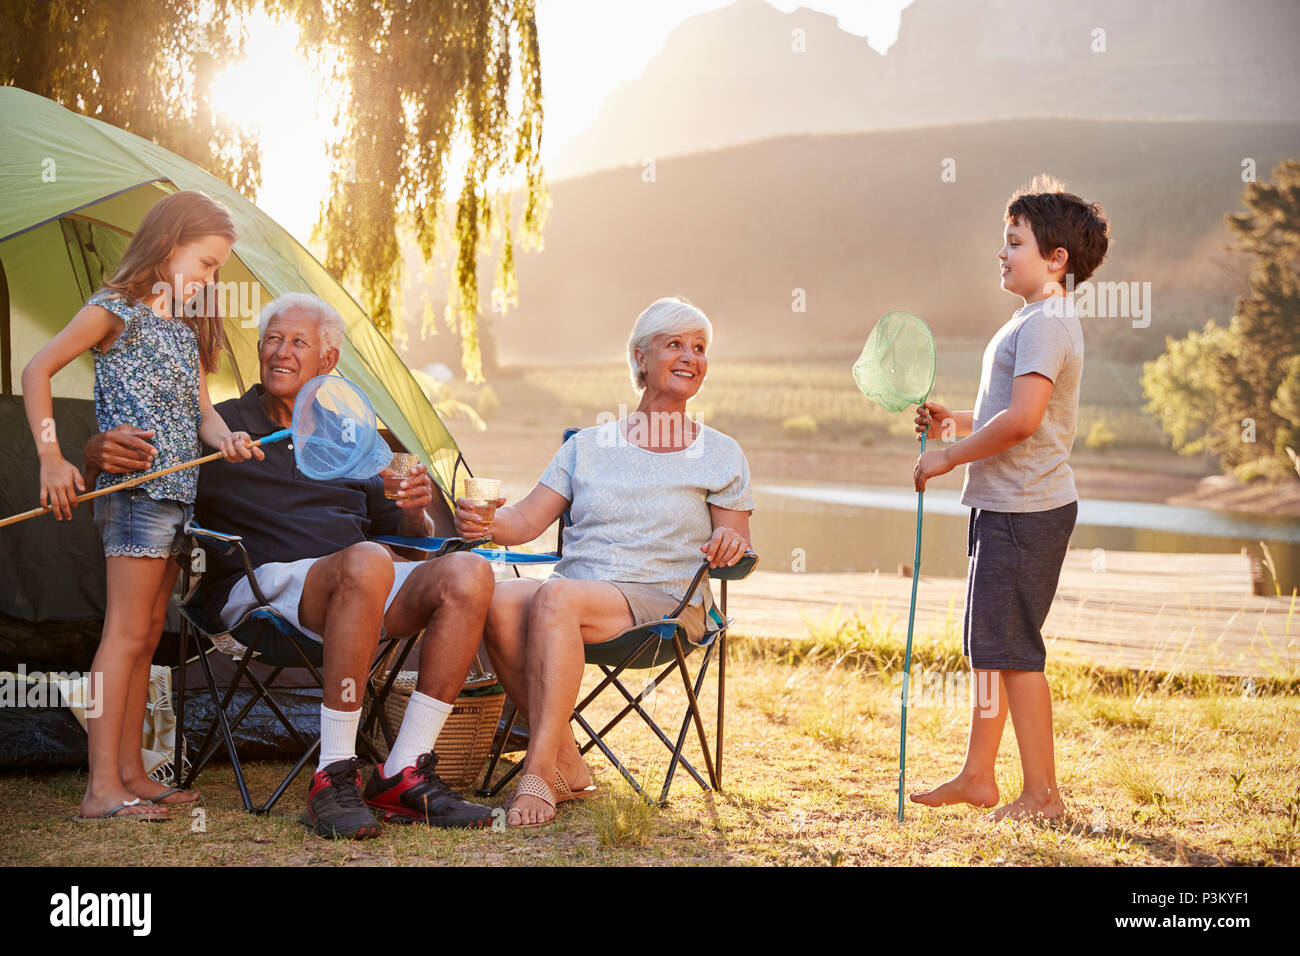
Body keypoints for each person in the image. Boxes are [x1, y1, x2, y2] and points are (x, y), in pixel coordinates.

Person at [85, 292, 496, 838]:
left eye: (298, 343)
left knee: (471, 572)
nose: (281, 353)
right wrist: (95, 452)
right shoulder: (218, 427)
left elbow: (407, 540)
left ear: (328, 362)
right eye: (272, 340)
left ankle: (403, 772)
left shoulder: (353, 435)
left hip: (359, 585)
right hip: (258, 590)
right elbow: (137, 476)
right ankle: (333, 773)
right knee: (368, 562)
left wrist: (417, 510)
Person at [455, 296, 754, 827]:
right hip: (575, 597)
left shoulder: (721, 452)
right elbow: (524, 521)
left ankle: (538, 773)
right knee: (499, 599)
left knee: (555, 595)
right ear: (641, 358)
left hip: (665, 601)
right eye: (675, 344)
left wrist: (731, 546)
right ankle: (567, 762)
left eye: (700, 348)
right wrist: (484, 522)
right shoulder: (587, 446)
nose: (691, 357)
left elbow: (736, 540)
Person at [22, 190, 260, 821]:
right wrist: (51, 458)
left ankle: (133, 773)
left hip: (180, 499)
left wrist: (226, 438)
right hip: (137, 499)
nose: (211, 280)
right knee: (124, 635)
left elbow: (202, 413)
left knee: (149, 636)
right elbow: (37, 371)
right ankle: (102, 788)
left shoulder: (185, 328)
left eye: (217, 270)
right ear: (166, 245)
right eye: (206, 264)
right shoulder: (113, 311)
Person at [909, 175, 1110, 821]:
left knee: (1015, 652)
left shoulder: (1048, 322)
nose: (1002, 251)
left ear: (1057, 259)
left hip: (1026, 512)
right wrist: (956, 422)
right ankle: (977, 776)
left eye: (1014, 241)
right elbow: (1011, 413)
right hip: (1004, 507)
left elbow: (1024, 423)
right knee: (991, 647)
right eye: (1004, 239)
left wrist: (945, 457)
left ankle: (1043, 796)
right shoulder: (1030, 319)